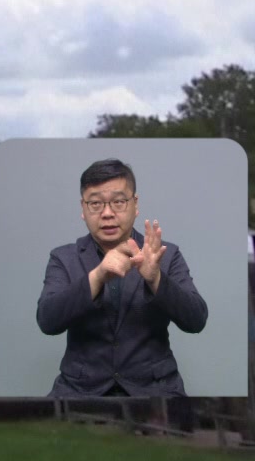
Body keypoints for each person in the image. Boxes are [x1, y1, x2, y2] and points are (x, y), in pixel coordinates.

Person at [34, 158, 208, 397]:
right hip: (80, 391)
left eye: (118, 202)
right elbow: (47, 320)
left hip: (155, 391)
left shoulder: (165, 255)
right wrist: (97, 276)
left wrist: (155, 278)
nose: (107, 213)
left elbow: (196, 320)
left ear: (135, 205)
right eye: (95, 203)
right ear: (83, 209)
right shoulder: (64, 258)